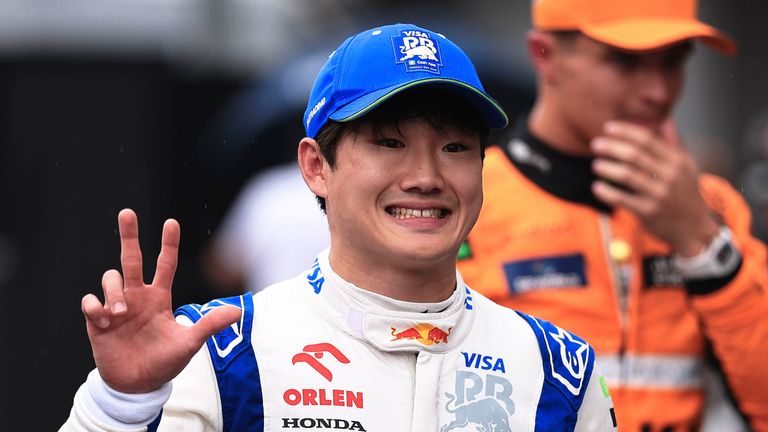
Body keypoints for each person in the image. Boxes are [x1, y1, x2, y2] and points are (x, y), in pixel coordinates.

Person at [60, 23, 617, 431]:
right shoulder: (226, 352)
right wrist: (119, 403)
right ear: (315, 167)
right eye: (389, 143)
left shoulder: (559, 371)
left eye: (454, 147)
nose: (425, 176)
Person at [456, 1, 768, 431]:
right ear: (544, 54)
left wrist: (703, 245)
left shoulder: (710, 208)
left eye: (673, 63)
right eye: (625, 62)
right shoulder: (468, 199)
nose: (657, 92)